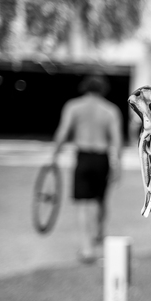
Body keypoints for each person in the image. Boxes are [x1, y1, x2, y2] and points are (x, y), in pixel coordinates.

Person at [51, 74, 122, 263]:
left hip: (83, 157)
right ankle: (99, 232)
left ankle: (87, 249)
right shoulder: (110, 110)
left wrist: (54, 155)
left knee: (83, 204)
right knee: (100, 200)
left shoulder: (74, 106)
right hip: (102, 158)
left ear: (85, 87)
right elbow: (117, 140)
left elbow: (63, 131)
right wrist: (118, 165)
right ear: (103, 89)